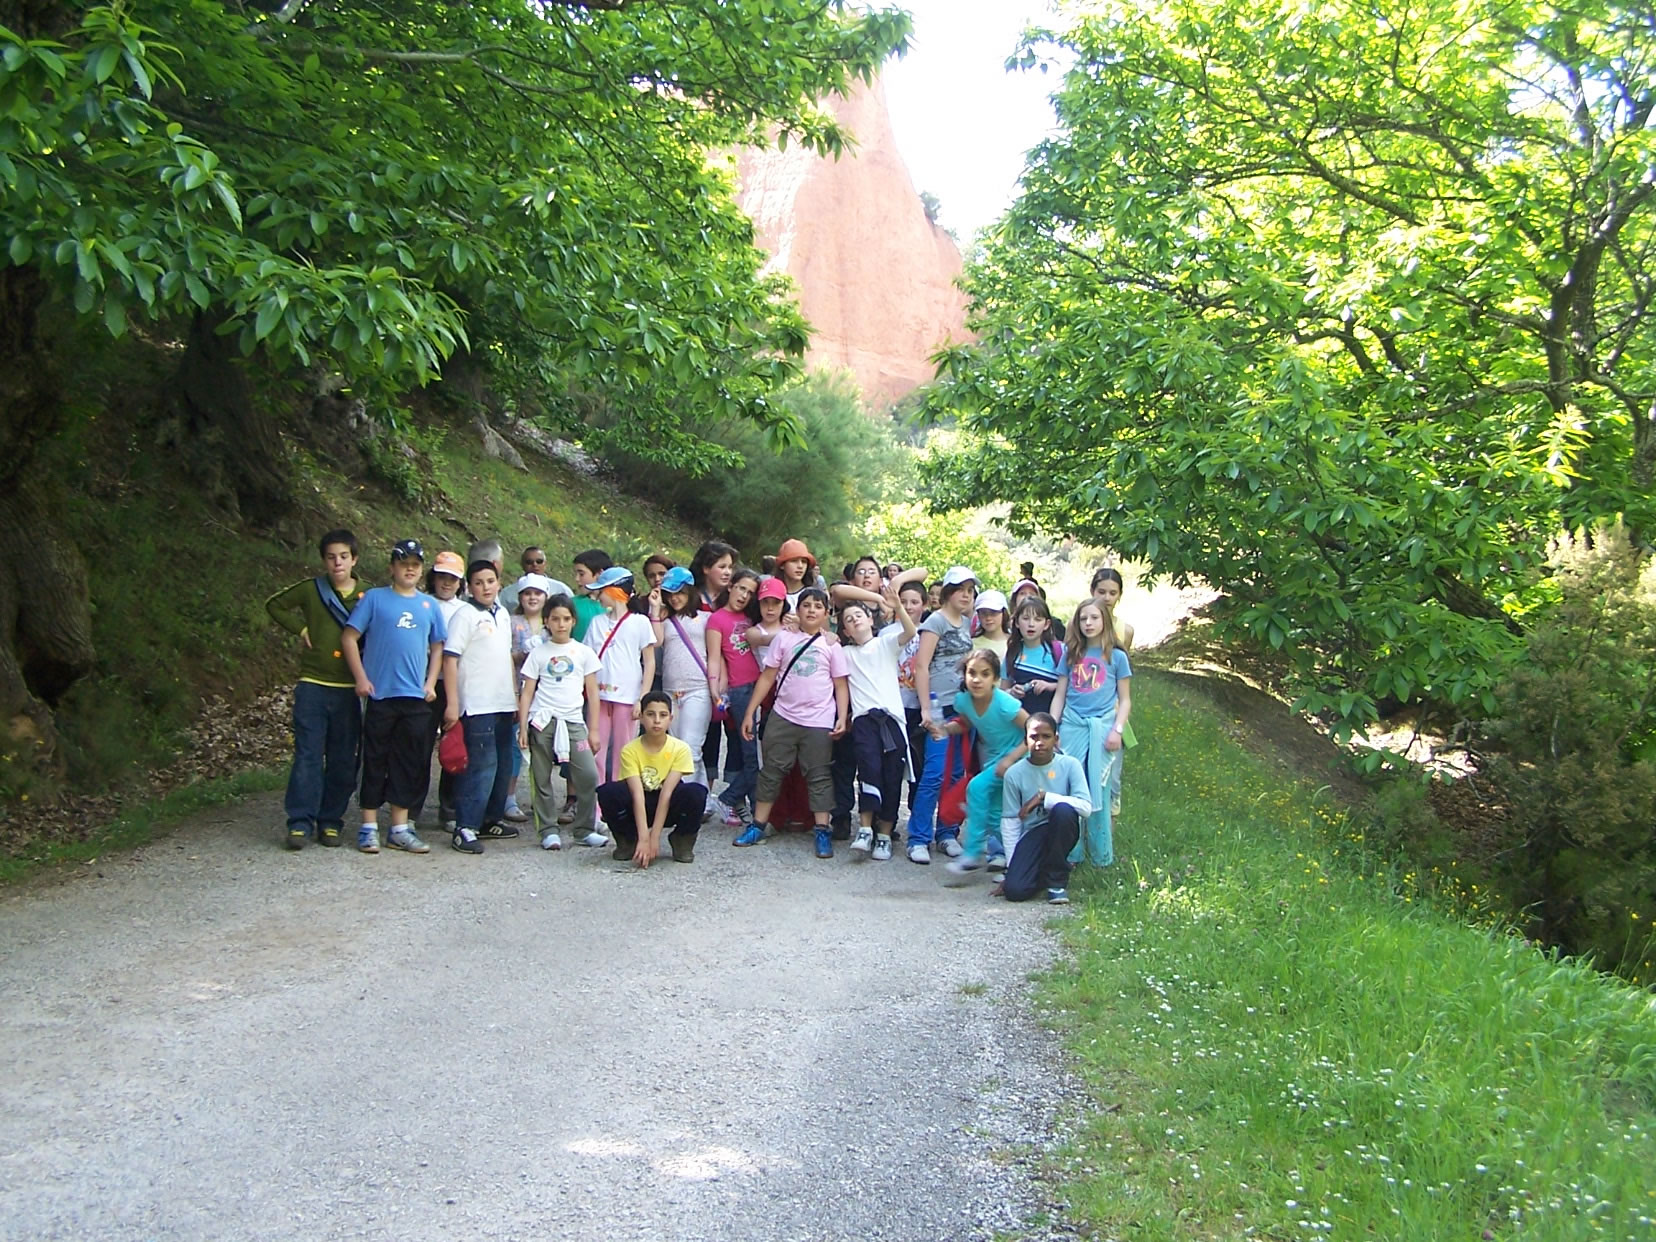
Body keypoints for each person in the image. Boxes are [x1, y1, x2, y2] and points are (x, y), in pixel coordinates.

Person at [340, 539, 446, 855]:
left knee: (408, 761)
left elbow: (438, 646)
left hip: (415, 697)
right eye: (403, 563)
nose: (409, 569)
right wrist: (361, 678)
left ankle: (399, 827)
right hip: (381, 695)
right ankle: (368, 825)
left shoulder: (429, 605)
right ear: (392, 567)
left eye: (415, 564)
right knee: (375, 758)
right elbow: (350, 637)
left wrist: (431, 682)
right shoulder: (375, 599)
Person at [266, 528, 369, 849]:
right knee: (308, 755)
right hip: (313, 684)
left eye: (343, 557)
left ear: (354, 559)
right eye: (331, 557)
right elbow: (275, 605)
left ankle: (330, 820)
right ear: (324, 561)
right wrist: (301, 629)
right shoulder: (312, 590)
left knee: (343, 758)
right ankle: (300, 822)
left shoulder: (369, 595)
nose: (337, 563)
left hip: (349, 687)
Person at [734, 587, 849, 858]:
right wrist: (750, 712)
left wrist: (842, 717)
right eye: (806, 605)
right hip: (783, 715)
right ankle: (758, 825)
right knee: (771, 771)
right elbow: (768, 676)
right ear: (797, 610)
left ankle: (822, 830)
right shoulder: (784, 638)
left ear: (826, 613)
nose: (811, 610)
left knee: (819, 774)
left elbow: (840, 684)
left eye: (818, 606)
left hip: (819, 719)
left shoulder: (832, 645)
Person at [443, 559, 521, 855]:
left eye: (490, 581)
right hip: (476, 704)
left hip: (503, 701)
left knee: (502, 763)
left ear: (499, 582)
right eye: (478, 583)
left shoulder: (502, 614)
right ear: (469, 587)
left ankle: (490, 819)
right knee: (480, 765)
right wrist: (453, 703)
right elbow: (450, 659)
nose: (485, 587)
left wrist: (514, 696)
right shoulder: (465, 615)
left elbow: (505, 657)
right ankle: (465, 826)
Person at [837, 582, 920, 861]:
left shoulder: (885, 643)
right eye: (848, 619)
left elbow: (910, 632)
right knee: (868, 770)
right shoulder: (845, 654)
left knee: (892, 775)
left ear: (871, 620)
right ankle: (864, 829)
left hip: (892, 720)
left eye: (858, 615)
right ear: (846, 631)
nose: (854, 620)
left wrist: (897, 607)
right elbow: (837, 594)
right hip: (863, 721)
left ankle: (884, 833)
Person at [517, 592, 605, 851]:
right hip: (543, 721)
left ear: (573, 621)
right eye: (555, 619)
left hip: (573, 721)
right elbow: (527, 692)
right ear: (546, 621)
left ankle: (584, 829)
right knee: (541, 776)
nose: (561, 624)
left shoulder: (583, 652)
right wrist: (523, 727)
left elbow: (593, 693)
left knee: (588, 775)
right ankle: (547, 830)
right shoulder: (538, 653)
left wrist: (594, 729)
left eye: (566, 619)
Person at [1051, 597, 1133, 867]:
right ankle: (1071, 852)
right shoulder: (1070, 654)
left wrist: (1117, 730)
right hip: (1072, 726)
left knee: (1099, 786)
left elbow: (1125, 700)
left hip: (1103, 728)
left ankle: (1100, 855)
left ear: (1105, 621)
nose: (1088, 623)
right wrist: (1053, 727)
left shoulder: (1117, 657)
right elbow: (1060, 694)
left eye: (1094, 618)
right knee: (1070, 786)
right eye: (1083, 618)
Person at [938, 649, 1030, 881]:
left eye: (985, 674)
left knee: (976, 788)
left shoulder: (1005, 703)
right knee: (996, 813)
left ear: (995, 679)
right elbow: (966, 723)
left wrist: (1010, 759)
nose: (977, 680)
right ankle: (1021, 857)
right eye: (972, 673)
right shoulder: (963, 701)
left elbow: (1034, 731)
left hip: (1019, 757)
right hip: (995, 759)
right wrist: (945, 729)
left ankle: (973, 852)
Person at [907, 565, 978, 864]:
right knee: (935, 772)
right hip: (939, 706)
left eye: (970, 591)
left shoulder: (967, 623)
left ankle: (947, 833)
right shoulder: (935, 621)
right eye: (960, 589)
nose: (966, 595)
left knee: (957, 773)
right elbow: (921, 666)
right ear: (948, 592)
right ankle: (918, 838)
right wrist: (925, 707)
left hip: (964, 706)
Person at [596, 691, 708, 867]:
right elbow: (637, 794)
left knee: (696, 792)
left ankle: (682, 838)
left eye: (662, 715)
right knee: (608, 792)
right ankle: (628, 839)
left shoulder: (680, 749)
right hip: (639, 803)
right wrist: (643, 838)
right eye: (650, 714)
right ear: (641, 717)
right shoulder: (630, 750)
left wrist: (654, 838)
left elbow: (667, 793)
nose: (656, 720)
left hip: (667, 802)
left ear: (670, 719)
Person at [996, 713, 1085, 904]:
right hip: (1033, 832)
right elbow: (1010, 822)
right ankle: (1041, 873)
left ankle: (1056, 882)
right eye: (1034, 737)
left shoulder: (1070, 765)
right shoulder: (1014, 774)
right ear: (1025, 741)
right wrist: (1013, 867)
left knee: (1063, 810)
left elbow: (1085, 807)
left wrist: (1045, 798)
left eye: (1046, 736)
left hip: (1062, 827)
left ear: (1056, 739)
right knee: (1015, 891)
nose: (1040, 743)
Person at [582, 565, 656, 784]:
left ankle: (620, 796)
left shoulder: (640, 622)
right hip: (598, 696)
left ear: (614, 591)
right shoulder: (597, 622)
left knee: (624, 751)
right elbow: (587, 658)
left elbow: (649, 661)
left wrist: (642, 697)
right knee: (595, 748)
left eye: (602, 590)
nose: (598, 596)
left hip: (628, 696)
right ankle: (596, 799)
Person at [705, 568, 762, 827]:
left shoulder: (751, 617)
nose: (744, 595)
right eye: (741, 588)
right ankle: (730, 798)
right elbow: (714, 657)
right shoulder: (717, 620)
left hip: (760, 685)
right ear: (731, 587)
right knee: (751, 754)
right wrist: (715, 689)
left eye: (750, 592)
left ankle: (752, 807)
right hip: (739, 690)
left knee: (756, 752)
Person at [652, 566, 714, 786]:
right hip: (670, 690)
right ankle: (698, 796)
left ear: (690, 591)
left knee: (691, 747)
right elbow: (656, 641)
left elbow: (717, 654)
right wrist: (655, 610)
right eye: (670, 594)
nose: (675, 598)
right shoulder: (664, 619)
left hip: (698, 688)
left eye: (680, 593)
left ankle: (692, 797)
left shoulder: (707, 618)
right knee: (676, 747)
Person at [423, 550, 468, 830]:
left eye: (453, 578)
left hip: (457, 683)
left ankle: (449, 808)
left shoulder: (465, 610)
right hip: (424, 683)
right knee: (420, 746)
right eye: (442, 577)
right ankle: (411, 808)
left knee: (455, 748)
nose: (447, 583)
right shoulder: (422, 603)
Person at [891, 578, 931, 818]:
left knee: (919, 766)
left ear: (925, 605)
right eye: (903, 601)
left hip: (919, 708)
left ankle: (917, 819)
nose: (908, 606)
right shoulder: (887, 633)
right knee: (892, 767)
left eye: (914, 602)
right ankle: (887, 820)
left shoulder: (931, 633)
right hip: (893, 707)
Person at [1004, 597, 1065, 717]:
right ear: (1017, 622)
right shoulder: (1012, 652)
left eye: (1038, 619)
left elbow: (1073, 687)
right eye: (1026, 618)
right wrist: (1011, 692)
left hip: (1050, 722)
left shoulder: (1059, 651)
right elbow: (1002, 692)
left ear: (1046, 624)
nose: (1031, 624)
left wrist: (1049, 686)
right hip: (1019, 722)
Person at [570, 549, 613, 642]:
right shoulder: (571, 604)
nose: (577, 579)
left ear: (600, 574)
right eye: (576, 574)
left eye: (581, 574)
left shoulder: (618, 606)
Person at [773, 538, 820, 606]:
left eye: (804, 561)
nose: (800, 566)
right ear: (782, 565)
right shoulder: (771, 593)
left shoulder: (814, 595)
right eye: (794, 561)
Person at [972, 589, 1010, 662]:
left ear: (1003, 613)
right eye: (983, 613)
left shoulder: (1014, 642)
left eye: (993, 612)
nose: (988, 618)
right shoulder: (972, 644)